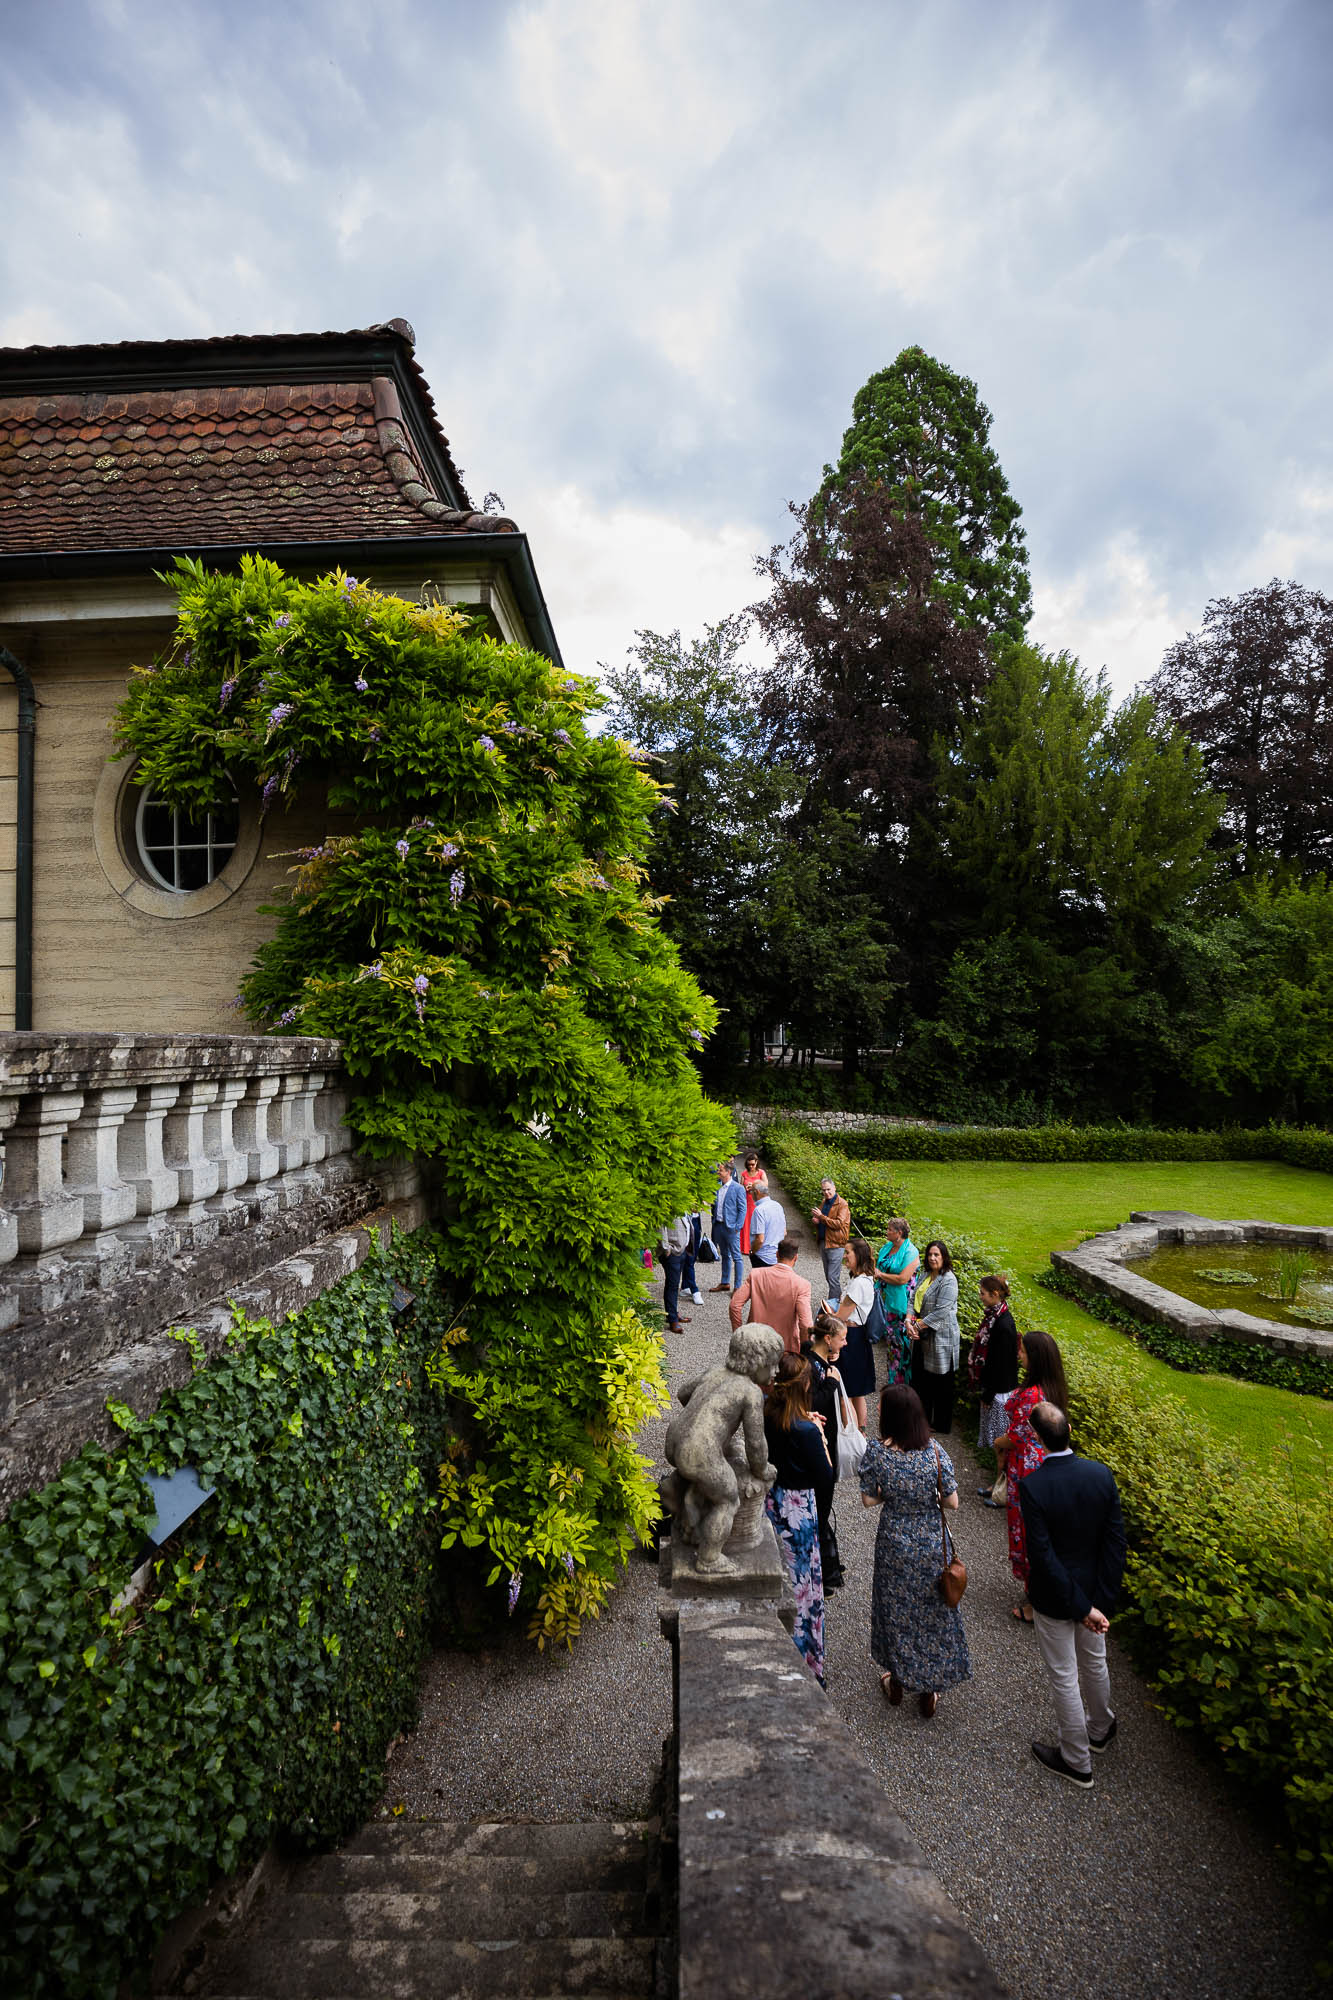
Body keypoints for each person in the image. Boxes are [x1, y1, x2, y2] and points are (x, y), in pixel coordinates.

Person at [1020, 1402, 1127, 1787]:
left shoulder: (1033, 1487)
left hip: (1055, 1597)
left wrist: (1083, 1608)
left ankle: (1076, 1759)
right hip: (1093, 1592)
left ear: (1037, 1439)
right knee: (1094, 1661)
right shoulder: (1101, 1475)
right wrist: (1099, 1602)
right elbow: (1116, 1545)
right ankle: (1100, 1728)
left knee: (1064, 1674)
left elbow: (1043, 1557)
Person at [859, 1383, 972, 1719]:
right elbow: (952, 1501)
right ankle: (929, 1688)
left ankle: (896, 1680)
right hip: (930, 1544)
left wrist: (893, 1495)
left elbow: (867, 1499)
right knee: (932, 1611)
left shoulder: (878, 1453)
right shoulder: (934, 1453)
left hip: (894, 1542)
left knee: (894, 1608)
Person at [763, 1350, 834, 1685]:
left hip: (773, 1501)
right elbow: (826, 1476)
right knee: (803, 1586)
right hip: (799, 1510)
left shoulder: (769, 1412)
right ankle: (803, 1661)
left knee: (781, 1576)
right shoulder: (806, 1430)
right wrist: (819, 1436)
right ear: (804, 1385)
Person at [993, 1329, 1069, 1622]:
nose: (1018, 1355)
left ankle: (1035, 1602)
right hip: (1041, 1464)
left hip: (1026, 1468)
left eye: (1023, 1352)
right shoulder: (1051, 1388)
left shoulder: (1033, 1394)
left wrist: (999, 1444)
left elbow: (1017, 1436)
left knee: (1027, 1532)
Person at [803, 1312, 851, 1588]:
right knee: (820, 1509)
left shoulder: (819, 1359)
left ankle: (826, 1565)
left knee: (822, 1508)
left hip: (825, 1440)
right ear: (828, 1339)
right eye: (842, 1339)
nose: (845, 1344)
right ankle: (822, 1571)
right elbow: (814, 1403)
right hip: (820, 1444)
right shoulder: (813, 1366)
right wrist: (832, 1382)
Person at [907, 1239, 960, 1433]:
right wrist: (908, 1320)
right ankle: (923, 1420)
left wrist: (916, 1326)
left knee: (941, 1383)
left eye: (936, 1254)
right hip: (921, 1333)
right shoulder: (925, 1275)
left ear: (944, 1257)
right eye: (930, 1254)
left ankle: (941, 1425)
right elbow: (913, 1298)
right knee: (921, 1379)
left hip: (941, 1338)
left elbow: (941, 1311)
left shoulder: (949, 1280)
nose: (932, 1258)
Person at [729, 1237, 813, 1353]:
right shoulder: (802, 1285)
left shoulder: (756, 1275)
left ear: (777, 1254)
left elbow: (734, 1305)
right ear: (796, 1258)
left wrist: (738, 1334)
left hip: (754, 1342)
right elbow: (806, 1324)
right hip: (785, 1347)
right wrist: (804, 1349)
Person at [970, 1276, 1020, 1464]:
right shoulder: (995, 1316)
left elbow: (1001, 1364)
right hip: (994, 1389)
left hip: (999, 1393)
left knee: (1000, 1445)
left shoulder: (1003, 1325)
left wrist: (988, 1394)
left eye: (983, 1293)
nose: (980, 1296)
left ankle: (1000, 1485)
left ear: (995, 1294)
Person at [832, 1238, 878, 1430]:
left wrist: (828, 1315)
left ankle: (850, 1434)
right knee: (857, 1391)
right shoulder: (862, 1279)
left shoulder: (859, 1283)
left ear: (858, 1256)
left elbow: (841, 1315)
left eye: (848, 1253)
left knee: (846, 1393)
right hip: (858, 1336)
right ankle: (861, 1431)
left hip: (851, 1337)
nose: (845, 1257)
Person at [874, 1219, 919, 1388]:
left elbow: (902, 1279)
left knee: (902, 1345)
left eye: (889, 1229)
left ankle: (902, 1385)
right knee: (891, 1345)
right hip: (886, 1302)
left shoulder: (911, 1251)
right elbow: (879, 1266)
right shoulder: (887, 1247)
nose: (886, 1231)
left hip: (902, 1306)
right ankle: (893, 1380)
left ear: (899, 1233)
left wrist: (880, 1275)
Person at [810, 1177, 851, 1309]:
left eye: (828, 1189)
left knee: (833, 1277)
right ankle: (837, 1301)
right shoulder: (825, 1201)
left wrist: (821, 1217)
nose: (826, 1192)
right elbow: (823, 1220)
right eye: (824, 1190)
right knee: (829, 1275)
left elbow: (839, 1224)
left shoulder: (842, 1204)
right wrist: (817, 1221)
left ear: (834, 1188)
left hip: (836, 1244)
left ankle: (833, 1307)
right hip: (824, 1242)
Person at [709, 1162, 747, 1295]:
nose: (718, 1172)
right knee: (724, 1255)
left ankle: (738, 1287)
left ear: (728, 1172)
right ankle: (725, 1282)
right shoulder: (717, 1187)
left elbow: (743, 1209)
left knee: (737, 1257)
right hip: (718, 1225)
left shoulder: (738, 1188)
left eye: (721, 1170)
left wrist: (738, 1227)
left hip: (731, 1228)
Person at [658, 1215, 693, 1334]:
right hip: (672, 1252)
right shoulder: (668, 1202)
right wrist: (666, 1249)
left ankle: (673, 1313)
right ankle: (672, 1319)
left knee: (673, 1285)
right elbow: (660, 1226)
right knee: (672, 1285)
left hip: (681, 1250)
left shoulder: (683, 1202)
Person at [748, 1183, 786, 1269]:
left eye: (751, 1191)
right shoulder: (778, 1205)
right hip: (777, 1256)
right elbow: (784, 1232)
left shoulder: (759, 1210)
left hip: (762, 1257)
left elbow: (760, 1240)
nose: (750, 1193)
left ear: (756, 1192)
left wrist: (752, 1252)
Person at [739, 1152, 766, 1258]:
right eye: (749, 1164)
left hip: (757, 1202)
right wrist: (744, 1188)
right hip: (747, 1201)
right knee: (746, 1224)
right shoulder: (744, 1174)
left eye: (753, 1164)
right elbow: (740, 1187)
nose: (751, 1166)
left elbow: (766, 1186)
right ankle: (745, 1247)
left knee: (756, 1224)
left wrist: (755, 1185)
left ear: (757, 1163)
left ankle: (756, 1246)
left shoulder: (761, 1173)